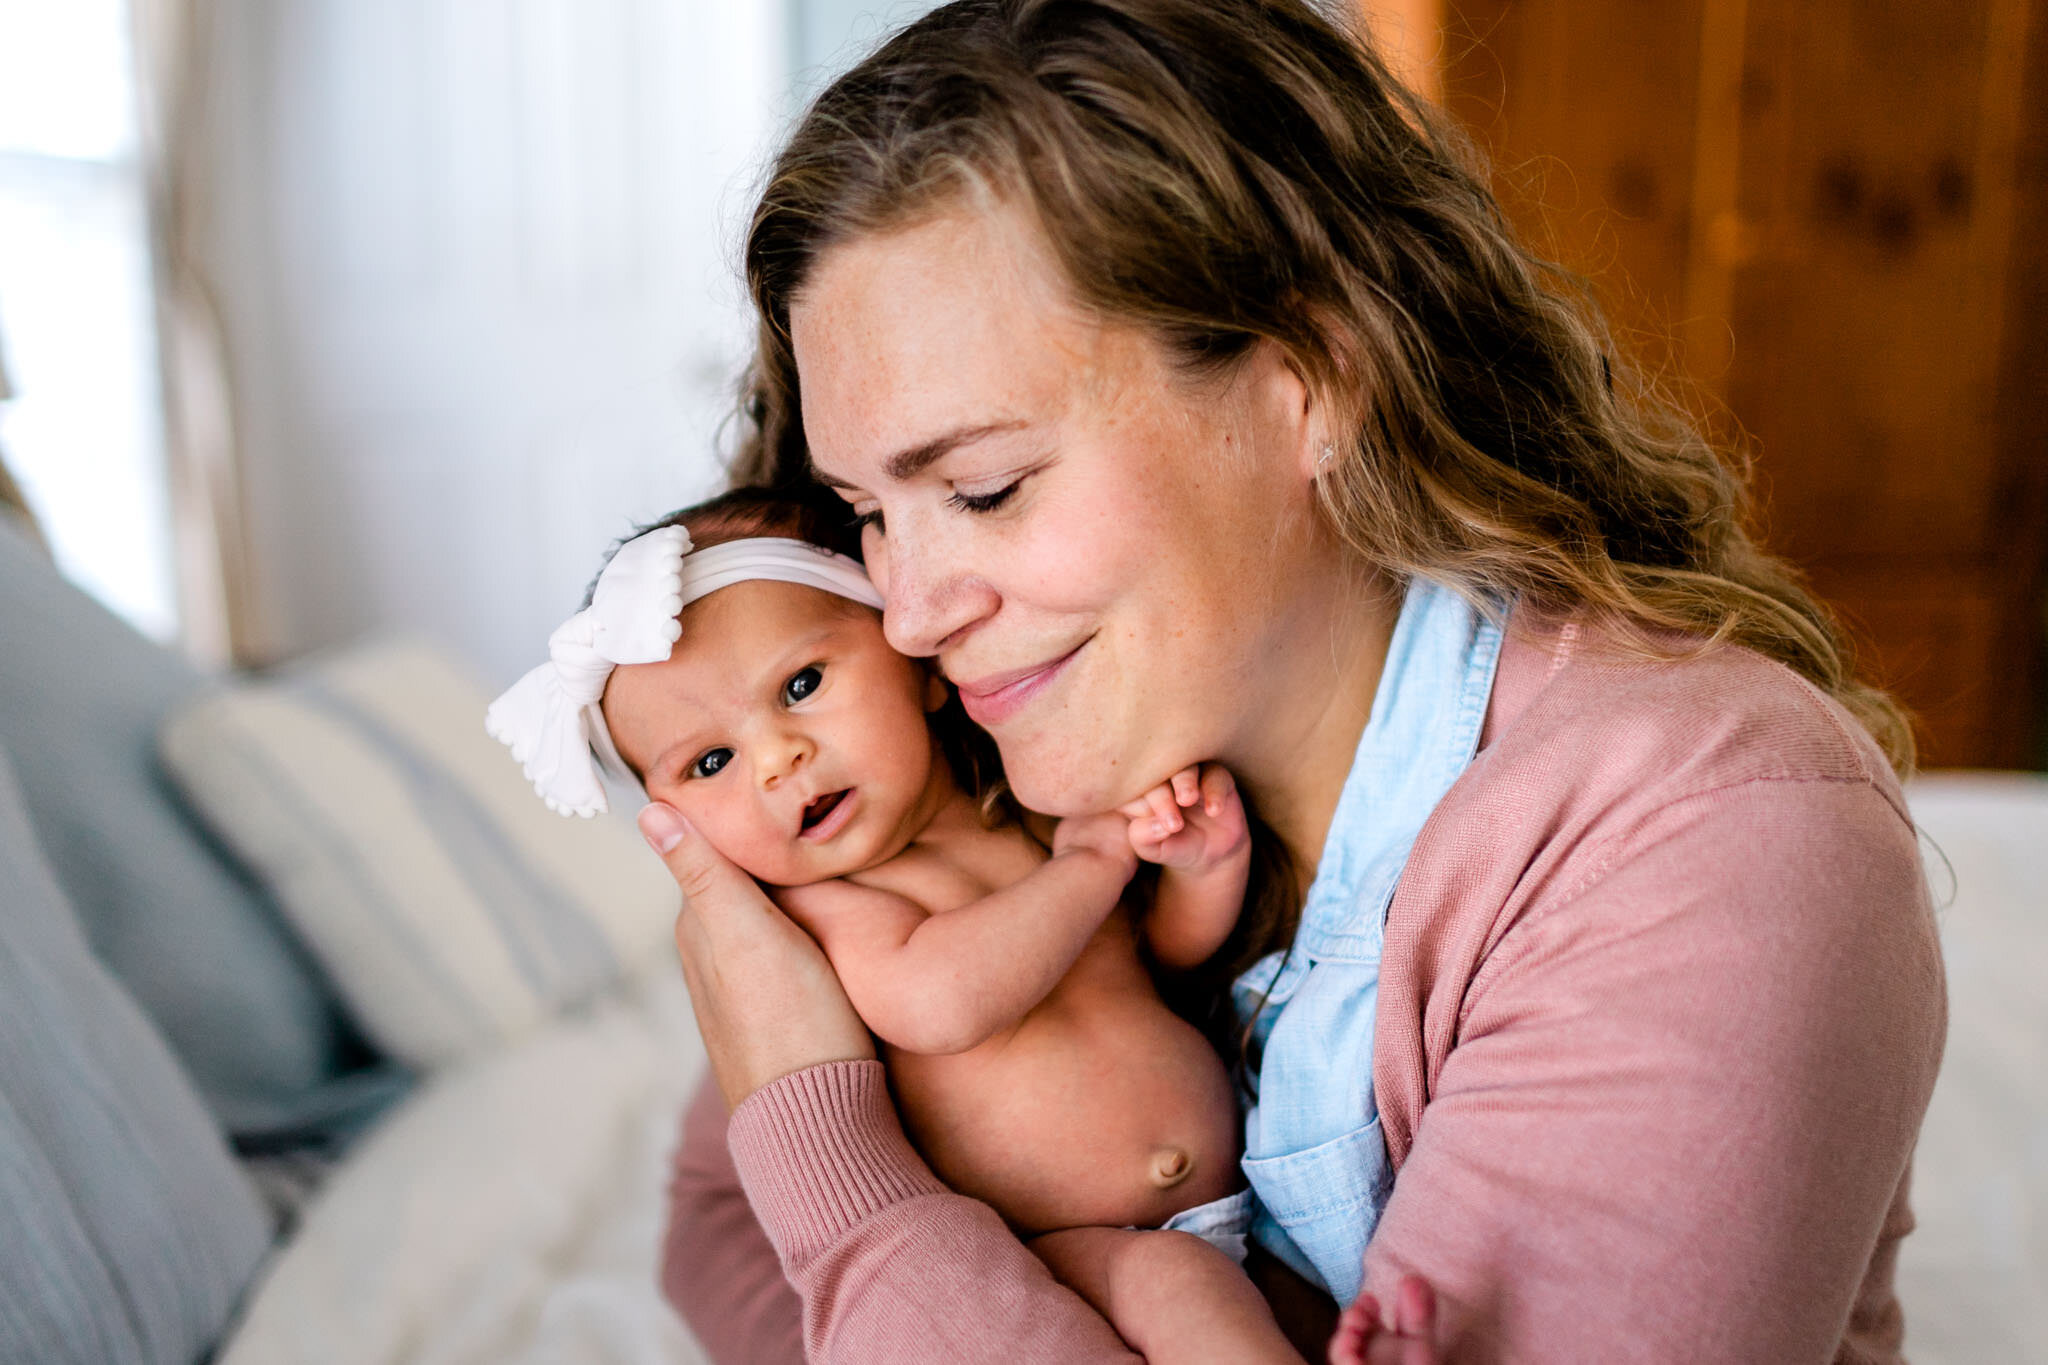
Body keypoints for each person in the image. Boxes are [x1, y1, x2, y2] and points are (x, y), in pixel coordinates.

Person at [648, 1, 1947, 1360]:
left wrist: (850, 1198)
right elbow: (711, 1213)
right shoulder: (981, 783)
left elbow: (794, 1174)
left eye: (983, 487)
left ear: (1315, 381)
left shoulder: (1704, 833)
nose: (908, 617)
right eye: (866, 513)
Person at [489, 491, 1298, 1359]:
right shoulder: (826, 912)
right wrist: (1093, 865)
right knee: (1183, 1288)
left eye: (802, 685)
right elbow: (941, 1000)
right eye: (710, 761)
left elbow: (1156, 961)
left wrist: (1203, 867)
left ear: (913, 662)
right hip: (1069, 1251)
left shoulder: (1025, 805)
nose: (777, 758)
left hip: (1242, 1198)